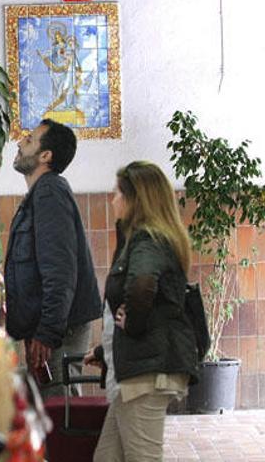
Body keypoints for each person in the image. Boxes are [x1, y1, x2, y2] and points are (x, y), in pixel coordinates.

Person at [91, 160, 199, 462]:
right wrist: (105, 351)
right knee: (107, 457)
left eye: (117, 193)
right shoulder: (144, 238)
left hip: (147, 374)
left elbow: (141, 285)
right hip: (142, 368)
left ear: (134, 199)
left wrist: (133, 325)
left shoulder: (147, 239)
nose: (112, 199)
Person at [4, 119, 102, 399]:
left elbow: (60, 270)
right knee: (54, 407)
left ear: (45, 156)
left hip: (60, 330)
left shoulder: (49, 192)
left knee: (60, 411)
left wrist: (47, 332)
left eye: (30, 140)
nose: (20, 143)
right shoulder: (40, 194)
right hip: (51, 326)